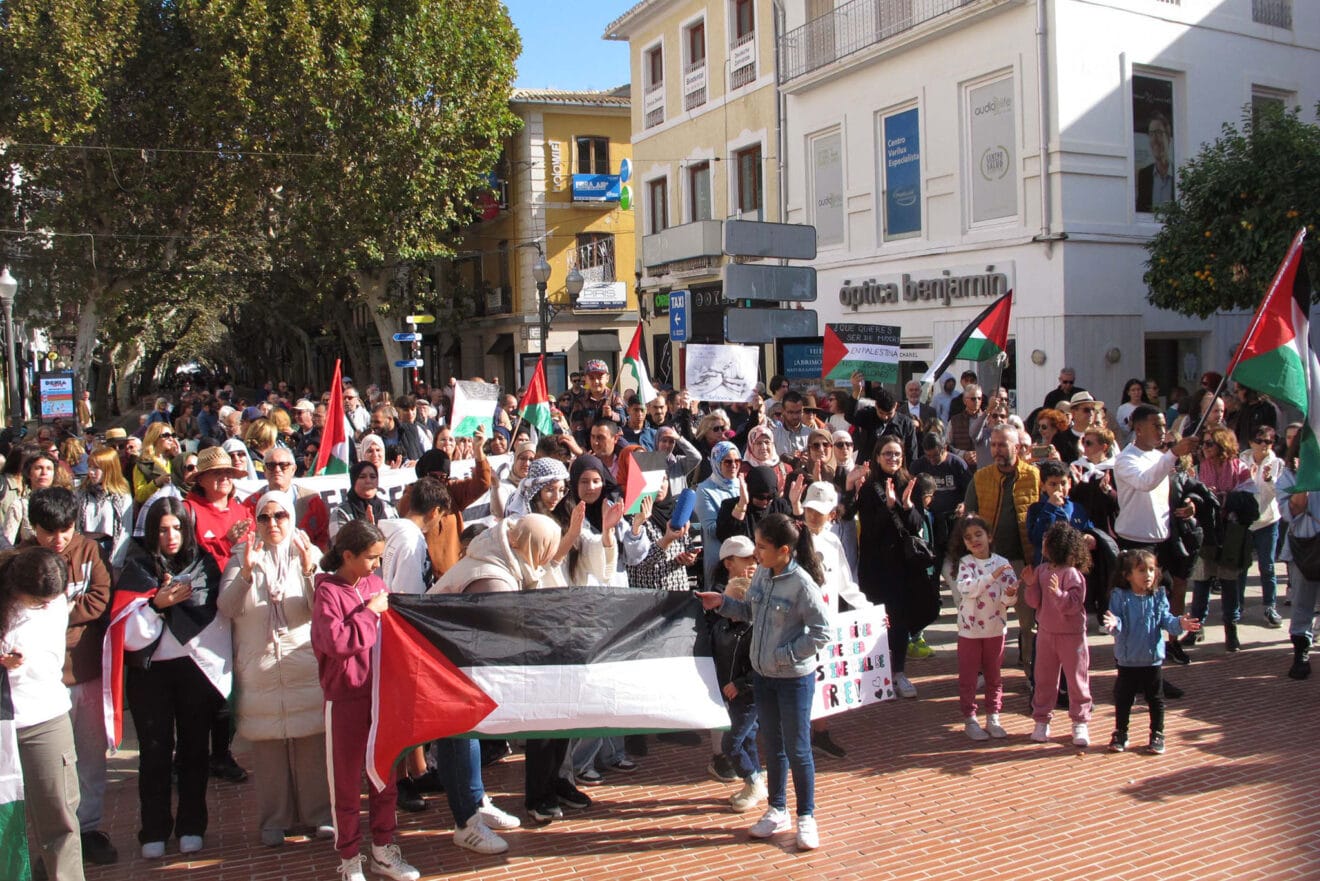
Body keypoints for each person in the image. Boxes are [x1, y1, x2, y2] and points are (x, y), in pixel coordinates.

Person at [697, 514, 830, 851]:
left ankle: (806, 817)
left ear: (783, 550)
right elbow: (750, 612)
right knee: (773, 747)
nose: (756, 553)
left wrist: (785, 654)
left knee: (799, 749)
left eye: (761, 547)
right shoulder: (761, 578)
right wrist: (723, 604)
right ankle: (778, 809)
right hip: (763, 678)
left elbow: (821, 631)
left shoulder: (801, 584)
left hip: (793, 680)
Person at [117, 498, 232, 859]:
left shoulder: (204, 565)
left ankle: (192, 825)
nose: (171, 536)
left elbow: (218, 614)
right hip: (150, 675)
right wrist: (156, 605)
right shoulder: (137, 567)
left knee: (195, 751)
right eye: (164, 529)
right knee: (154, 753)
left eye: (178, 528)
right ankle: (153, 829)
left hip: (195, 670)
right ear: (152, 531)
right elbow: (128, 635)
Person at [217, 492, 332, 847]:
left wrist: (309, 569)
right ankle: (274, 819)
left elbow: (323, 609)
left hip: (303, 668)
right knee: (267, 753)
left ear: (291, 517)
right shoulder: (242, 556)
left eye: (280, 516)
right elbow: (227, 607)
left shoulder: (307, 552)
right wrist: (247, 574)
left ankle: (319, 815)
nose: (272, 524)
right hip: (261, 671)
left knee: (312, 748)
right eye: (264, 518)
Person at [311, 520, 420, 881]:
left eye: (379, 558)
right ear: (348, 555)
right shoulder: (328, 593)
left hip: (379, 696)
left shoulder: (375, 584)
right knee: (345, 781)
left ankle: (383, 850)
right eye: (371, 558)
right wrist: (368, 612)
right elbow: (336, 643)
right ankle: (349, 858)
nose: (376, 565)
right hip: (345, 698)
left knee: (384, 776)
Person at [22, 489, 118, 865]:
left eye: (65, 530)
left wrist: (53, 612)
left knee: (91, 757)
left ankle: (89, 827)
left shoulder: (89, 550)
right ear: (34, 527)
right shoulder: (22, 560)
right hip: (42, 680)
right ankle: (53, 841)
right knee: (50, 767)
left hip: (87, 669)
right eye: (49, 532)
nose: (58, 540)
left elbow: (99, 598)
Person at [1, 547, 86, 880]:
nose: (46, 605)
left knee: (59, 817)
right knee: (8, 822)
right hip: (5, 721)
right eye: (37, 600)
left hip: (46, 719)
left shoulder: (55, 601)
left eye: (52, 598)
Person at [1102, 549, 1200, 755]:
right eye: (1141, 570)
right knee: (1124, 698)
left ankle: (1157, 733)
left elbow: (1167, 620)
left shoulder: (1158, 596)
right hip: (1128, 659)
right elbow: (1118, 621)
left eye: (1151, 569)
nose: (1147, 574)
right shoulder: (1120, 596)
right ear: (1128, 575)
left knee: (1155, 699)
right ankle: (1120, 732)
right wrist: (1113, 623)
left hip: (1152, 659)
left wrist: (1180, 623)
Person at [963, 423, 1041, 676]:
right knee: (989, 620)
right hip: (991, 562)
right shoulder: (981, 477)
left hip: (1024, 560)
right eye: (993, 444)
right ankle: (987, 669)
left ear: (1016, 447)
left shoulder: (1033, 476)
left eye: (1002, 444)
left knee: (1029, 621)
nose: (996, 449)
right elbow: (970, 517)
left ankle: (1030, 668)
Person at [706, 535, 766, 812]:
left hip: (747, 695)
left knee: (733, 742)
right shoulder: (721, 627)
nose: (723, 608)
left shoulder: (753, 630)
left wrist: (740, 683)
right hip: (729, 692)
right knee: (748, 737)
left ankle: (752, 779)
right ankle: (755, 780)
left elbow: (759, 664)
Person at [1023, 522, 1093, 747]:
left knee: (1076, 679)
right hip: (1046, 633)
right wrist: (1031, 585)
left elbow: (1073, 605)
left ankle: (1080, 721)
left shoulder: (1072, 574)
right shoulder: (1042, 570)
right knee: (1043, 679)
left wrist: (1059, 593)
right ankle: (1041, 720)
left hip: (1071, 636)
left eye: (1047, 541)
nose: (1042, 544)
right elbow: (1034, 602)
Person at [950, 515, 1019, 742]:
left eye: (978, 535)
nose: (974, 540)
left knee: (994, 675)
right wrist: (991, 577)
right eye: (968, 538)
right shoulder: (966, 563)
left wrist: (1010, 595)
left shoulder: (1002, 562)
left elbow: (1009, 599)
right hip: (969, 629)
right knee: (969, 676)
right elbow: (967, 589)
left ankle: (993, 716)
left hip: (995, 629)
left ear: (989, 536)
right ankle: (970, 718)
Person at [1239, 425, 1283, 627]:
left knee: (1267, 566)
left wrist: (1268, 479)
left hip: (1267, 520)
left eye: (1269, 441)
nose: (1264, 445)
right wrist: (1248, 476)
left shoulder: (1277, 463)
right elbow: (1237, 487)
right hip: (1246, 521)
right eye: (1260, 440)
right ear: (1251, 442)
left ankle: (1269, 606)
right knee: (1241, 566)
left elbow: (1277, 493)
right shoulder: (1241, 459)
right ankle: (1237, 606)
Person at [75, 446, 134, 571]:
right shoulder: (82, 492)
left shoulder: (121, 496)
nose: (91, 472)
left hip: (107, 547)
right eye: (90, 466)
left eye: (96, 468)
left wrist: (116, 563)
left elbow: (124, 530)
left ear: (109, 469)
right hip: (84, 546)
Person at [696, 442, 743, 586]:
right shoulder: (704, 490)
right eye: (728, 462)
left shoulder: (742, 484)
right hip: (719, 558)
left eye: (737, 461)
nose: (734, 465)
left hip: (743, 556)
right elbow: (711, 529)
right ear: (717, 463)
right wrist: (739, 510)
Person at [330, 461, 398, 540]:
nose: (368, 481)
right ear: (353, 480)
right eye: (362, 477)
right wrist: (366, 531)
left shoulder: (389, 508)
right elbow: (339, 545)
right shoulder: (341, 512)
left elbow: (397, 539)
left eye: (373, 477)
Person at [1135, 111, 1174, 213]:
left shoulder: (1178, 175)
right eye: (1151, 134)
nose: (1154, 139)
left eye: (1159, 133)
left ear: (1169, 138)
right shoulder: (1144, 175)